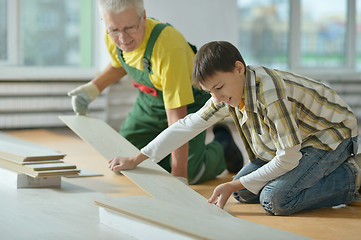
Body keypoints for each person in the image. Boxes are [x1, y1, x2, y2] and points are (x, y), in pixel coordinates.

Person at [110, 40, 360, 216]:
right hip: (293, 142)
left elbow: (288, 158)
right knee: (243, 193)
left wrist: (233, 184)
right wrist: (137, 158)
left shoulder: (270, 94)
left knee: (274, 200)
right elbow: (187, 126)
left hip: (329, 136)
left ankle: (352, 177)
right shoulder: (227, 93)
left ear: (238, 68)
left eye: (218, 88)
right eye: (210, 92)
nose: (216, 98)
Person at [68, 0, 243, 185]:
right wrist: (92, 90)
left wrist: (179, 177)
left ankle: (222, 149)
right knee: (122, 158)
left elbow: (178, 120)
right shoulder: (113, 36)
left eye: (129, 28)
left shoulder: (169, 49)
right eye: (114, 30)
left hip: (187, 104)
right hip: (149, 103)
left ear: (143, 17)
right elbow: (120, 63)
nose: (122, 38)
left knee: (191, 172)